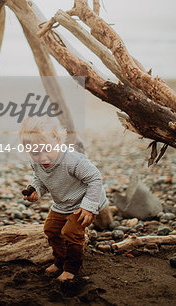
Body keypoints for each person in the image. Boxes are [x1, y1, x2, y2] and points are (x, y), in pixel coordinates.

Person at [19, 115, 109, 282]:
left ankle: (72, 267)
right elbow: (40, 179)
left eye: (47, 150)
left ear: (58, 140)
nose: (43, 158)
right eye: (35, 153)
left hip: (84, 202)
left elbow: (95, 178)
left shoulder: (73, 161)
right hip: (63, 203)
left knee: (72, 232)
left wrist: (89, 206)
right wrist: (36, 191)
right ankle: (60, 261)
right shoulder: (37, 162)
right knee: (51, 230)